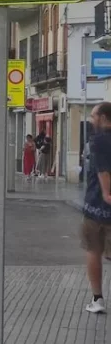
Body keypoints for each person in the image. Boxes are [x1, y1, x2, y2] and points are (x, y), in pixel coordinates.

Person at [80, 102, 111, 314]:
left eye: (93, 116)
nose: (91, 120)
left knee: (94, 250)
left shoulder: (98, 140)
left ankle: (97, 298)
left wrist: (107, 193)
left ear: (104, 118)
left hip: (97, 207)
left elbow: (103, 171)